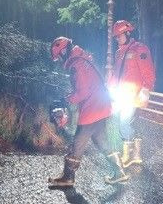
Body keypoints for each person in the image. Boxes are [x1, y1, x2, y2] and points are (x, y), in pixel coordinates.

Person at [48, 37, 129, 187]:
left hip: (92, 109)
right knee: (102, 141)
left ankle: (68, 177)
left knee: (77, 143)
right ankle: (120, 172)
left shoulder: (77, 65)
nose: (59, 60)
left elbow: (83, 92)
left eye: (59, 56)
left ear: (65, 51)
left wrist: (66, 100)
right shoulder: (82, 60)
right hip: (101, 106)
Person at [108, 20, 155, 168]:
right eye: (115, 37)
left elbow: (148, 71)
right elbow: (117, 73)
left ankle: (128, 156)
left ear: (128, 33)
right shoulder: (119, 53)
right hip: (121, 94)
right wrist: (109, 86)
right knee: (123, 123)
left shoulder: (139, 49)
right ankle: (136, 155)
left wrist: (146, 89)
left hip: (133, 94)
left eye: (119, 36)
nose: (117, 39)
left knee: (123, 123)